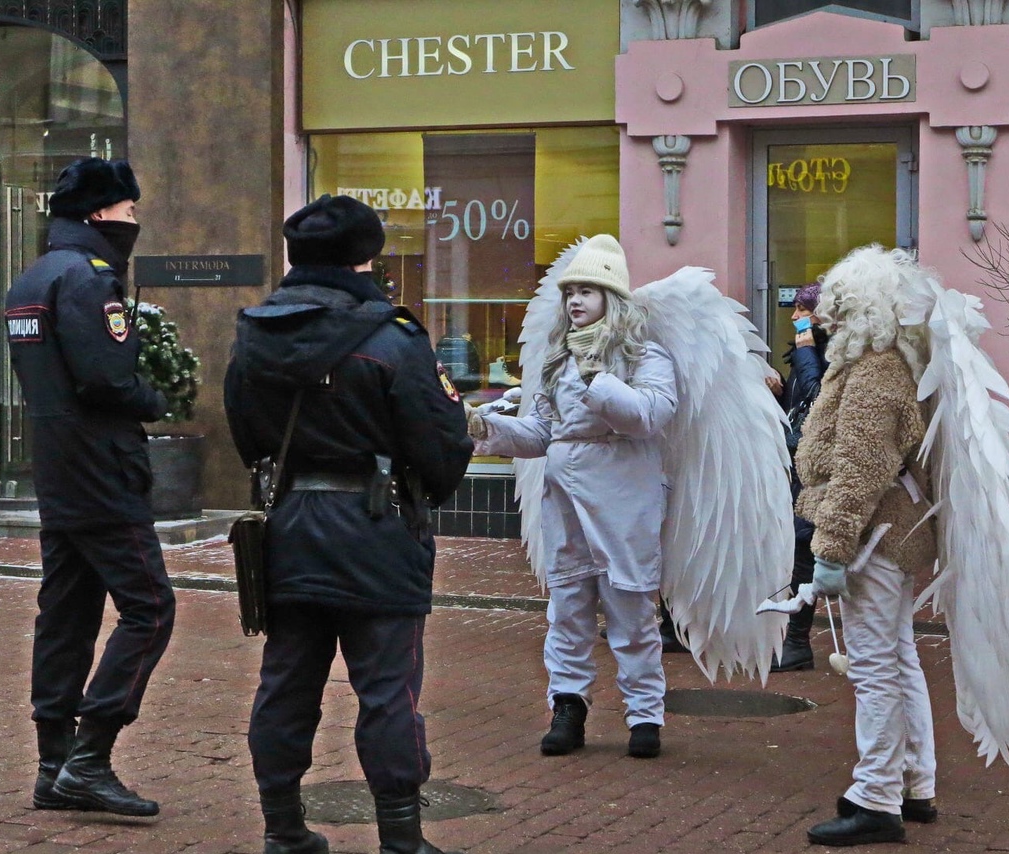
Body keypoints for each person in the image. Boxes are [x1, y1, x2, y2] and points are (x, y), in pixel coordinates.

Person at [224, 194, 472, 854]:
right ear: (367, 256)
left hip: (293, 525)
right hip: (379, 526)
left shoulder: (254, 334)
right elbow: (442, 444)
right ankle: (402, 839)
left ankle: (283, 829)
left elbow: (247, 437)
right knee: (388, 690)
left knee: (285, 681)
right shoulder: (392, 337)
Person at [5, 157, 175, 817]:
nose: (134, 223)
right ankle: (89, 756)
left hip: (58, 465)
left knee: (67, 614)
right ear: (101, 213)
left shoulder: (33, 277)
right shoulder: (86, 279)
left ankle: (54, 764)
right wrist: (151, 397)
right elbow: (107, 376)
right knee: (150, 607)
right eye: (129, 212)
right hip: (102, 467)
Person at [467, 234, 677, 760]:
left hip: (623, 500)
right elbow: (540, 433)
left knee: (631, 613)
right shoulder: (555, 361)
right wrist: (485, 427)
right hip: (564, 502)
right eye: (570, 292)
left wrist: (596, 375)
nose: (575, 301)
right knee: (568, 609)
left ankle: (645, 716)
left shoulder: (644, 355)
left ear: (614, 298)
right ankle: (568, 706)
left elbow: (649, 416)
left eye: (588, 290)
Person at [796, 247, 938, 846]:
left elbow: (860, 466)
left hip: (873, 535)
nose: (825, 317)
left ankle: (876, 796)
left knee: (875, 666)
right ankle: (914, 784)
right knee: (898, 658)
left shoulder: (875, 366)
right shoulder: (884, 361)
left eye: (836, 307)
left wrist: (829, 549)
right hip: (889, 531)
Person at [770, 283, 830, 673]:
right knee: (799, 552)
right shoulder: (807, 355)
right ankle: (794, 642)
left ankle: (797, 643)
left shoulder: (829, 355)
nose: (795, 317)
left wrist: (807, 351)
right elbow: (796, 412)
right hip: (798, 466)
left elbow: (816, 400)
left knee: (806, 552)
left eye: (803, 309)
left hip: (818, 470)